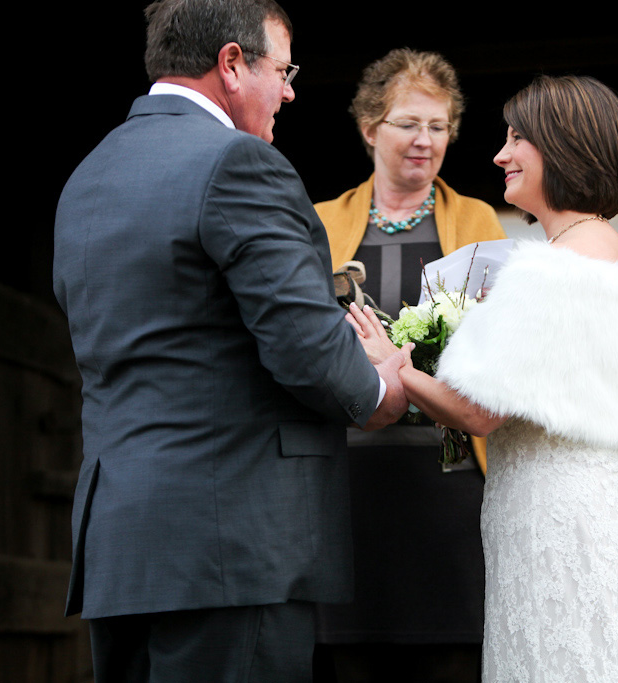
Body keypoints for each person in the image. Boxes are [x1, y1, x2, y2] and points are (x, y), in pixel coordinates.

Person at [52, 1, 410, 681]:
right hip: (231, 543)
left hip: (123, 549)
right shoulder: (238, 164)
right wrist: (378, 387)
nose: (291, 89)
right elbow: (304, 346)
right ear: (232, 64)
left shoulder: (87, 179)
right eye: (283, 69)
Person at [346, 74, 618, 682]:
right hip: (606, 509)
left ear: (562, 147)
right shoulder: (613, 253)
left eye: (516, 139)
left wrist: (393, 364)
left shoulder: (554, 268)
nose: (501, 154)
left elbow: (481, 413)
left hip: (555, 521)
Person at [312, 49, 506, 682]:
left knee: (451, 658)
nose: (425, 141)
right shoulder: (316, 225)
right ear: (370, 127)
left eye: (439, 126)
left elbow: (497, 354)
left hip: (447, 489)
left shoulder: (477, 222)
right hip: (344, 490)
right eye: (409, 123)